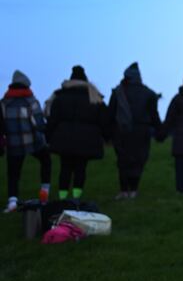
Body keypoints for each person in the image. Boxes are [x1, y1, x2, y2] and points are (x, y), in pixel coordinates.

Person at [46, 65, 107, 200]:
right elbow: (104, 119)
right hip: (87, 139)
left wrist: (48, 137)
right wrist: (107, 137)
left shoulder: (60, 96)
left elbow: (52, 119)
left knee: (65, 168)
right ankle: (76, 197)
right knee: (80, 168)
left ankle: (62, 197)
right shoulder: (94, 97)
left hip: (64, 138)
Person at [107, 62, 162, 200]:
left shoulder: (118, 92)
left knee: (123, 160)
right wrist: (161, 131)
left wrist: (106, 133)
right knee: (138, 160)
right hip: (142, 131)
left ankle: (124, 190)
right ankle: (134, 190)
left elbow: (110, 114)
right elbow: (154, 115)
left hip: (121, 131)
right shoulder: (149, 94)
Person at [1, 70, 51, 213]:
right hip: (33, 142)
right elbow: (39, 124)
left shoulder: (4, 103)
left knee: (13, 173)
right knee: (46, 161)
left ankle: (12, 201)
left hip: (13, 144)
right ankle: (44, 192)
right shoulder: (31, 101)